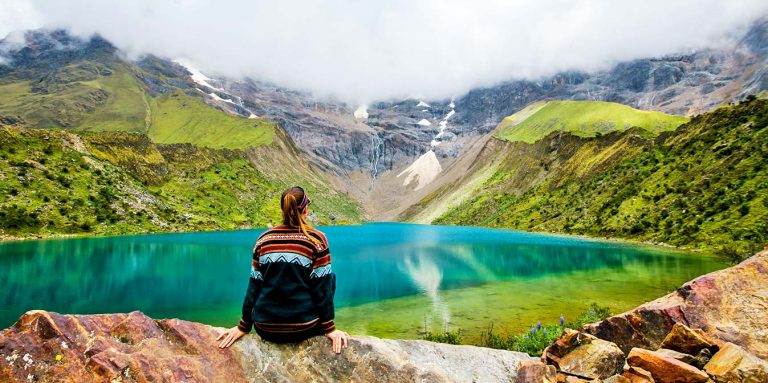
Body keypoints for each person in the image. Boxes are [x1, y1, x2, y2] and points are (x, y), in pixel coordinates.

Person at [216, 186, 349, 353]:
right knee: (329, 277)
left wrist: (243, 326)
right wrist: (330, 329)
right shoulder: (316, 239)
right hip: (304, 328)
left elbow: (254, 286)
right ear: (305, 209)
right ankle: (323, 326)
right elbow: (322, 289)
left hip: (265, 328)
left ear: (283, 209)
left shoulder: (264, 239)